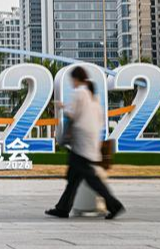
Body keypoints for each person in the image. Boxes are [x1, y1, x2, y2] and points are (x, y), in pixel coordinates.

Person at [45, 66, 125, 220]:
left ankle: (114, 205)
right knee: (74, 178)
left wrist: (62, 107)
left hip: (81, 143)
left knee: (90, 178)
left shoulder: (79, 92)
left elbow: (74, 114)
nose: (72, 83)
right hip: (89, 142)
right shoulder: (93, 100)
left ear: (76, 79)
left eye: (72, 80)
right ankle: (62, 208)